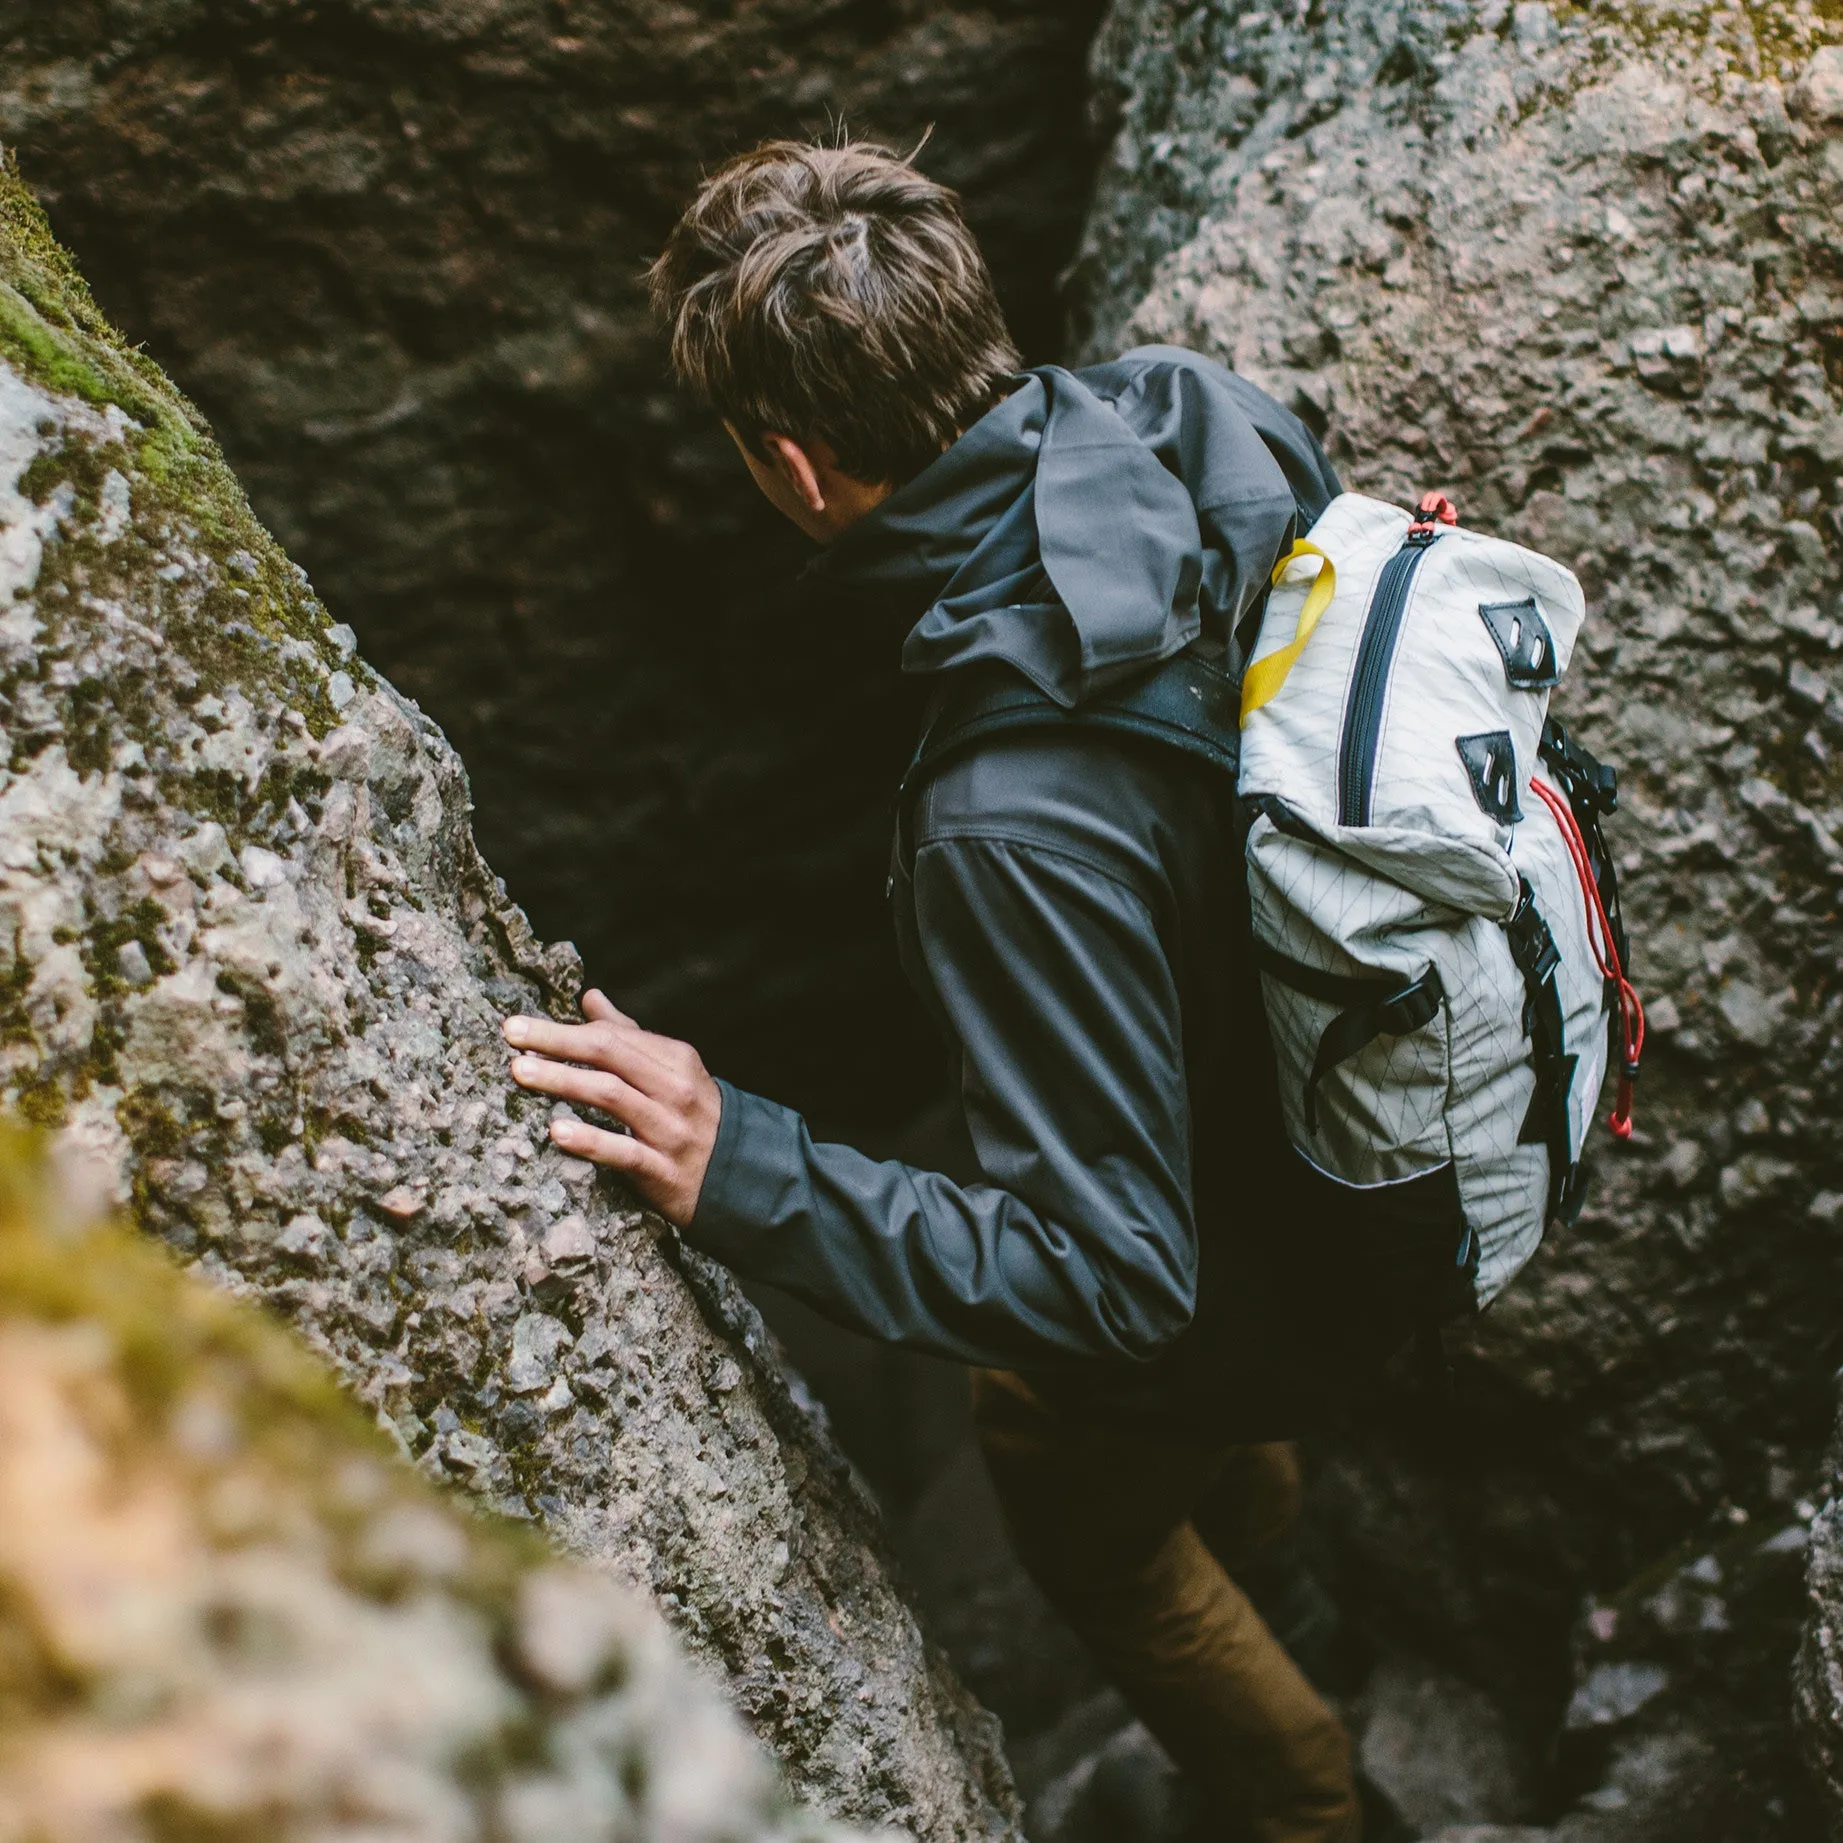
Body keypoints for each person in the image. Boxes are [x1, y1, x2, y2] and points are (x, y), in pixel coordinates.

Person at [502, 138, 1364, 1843]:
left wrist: (736, 1156)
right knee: (1233, 1410)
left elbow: (1122, 1284)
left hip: (1233, 1268)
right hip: (1334, 1143)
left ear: (797, 467)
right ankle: (1319, 1605)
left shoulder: (1005, 821)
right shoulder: (1206, 420)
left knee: (1089, 1519)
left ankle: (1322, 1811)